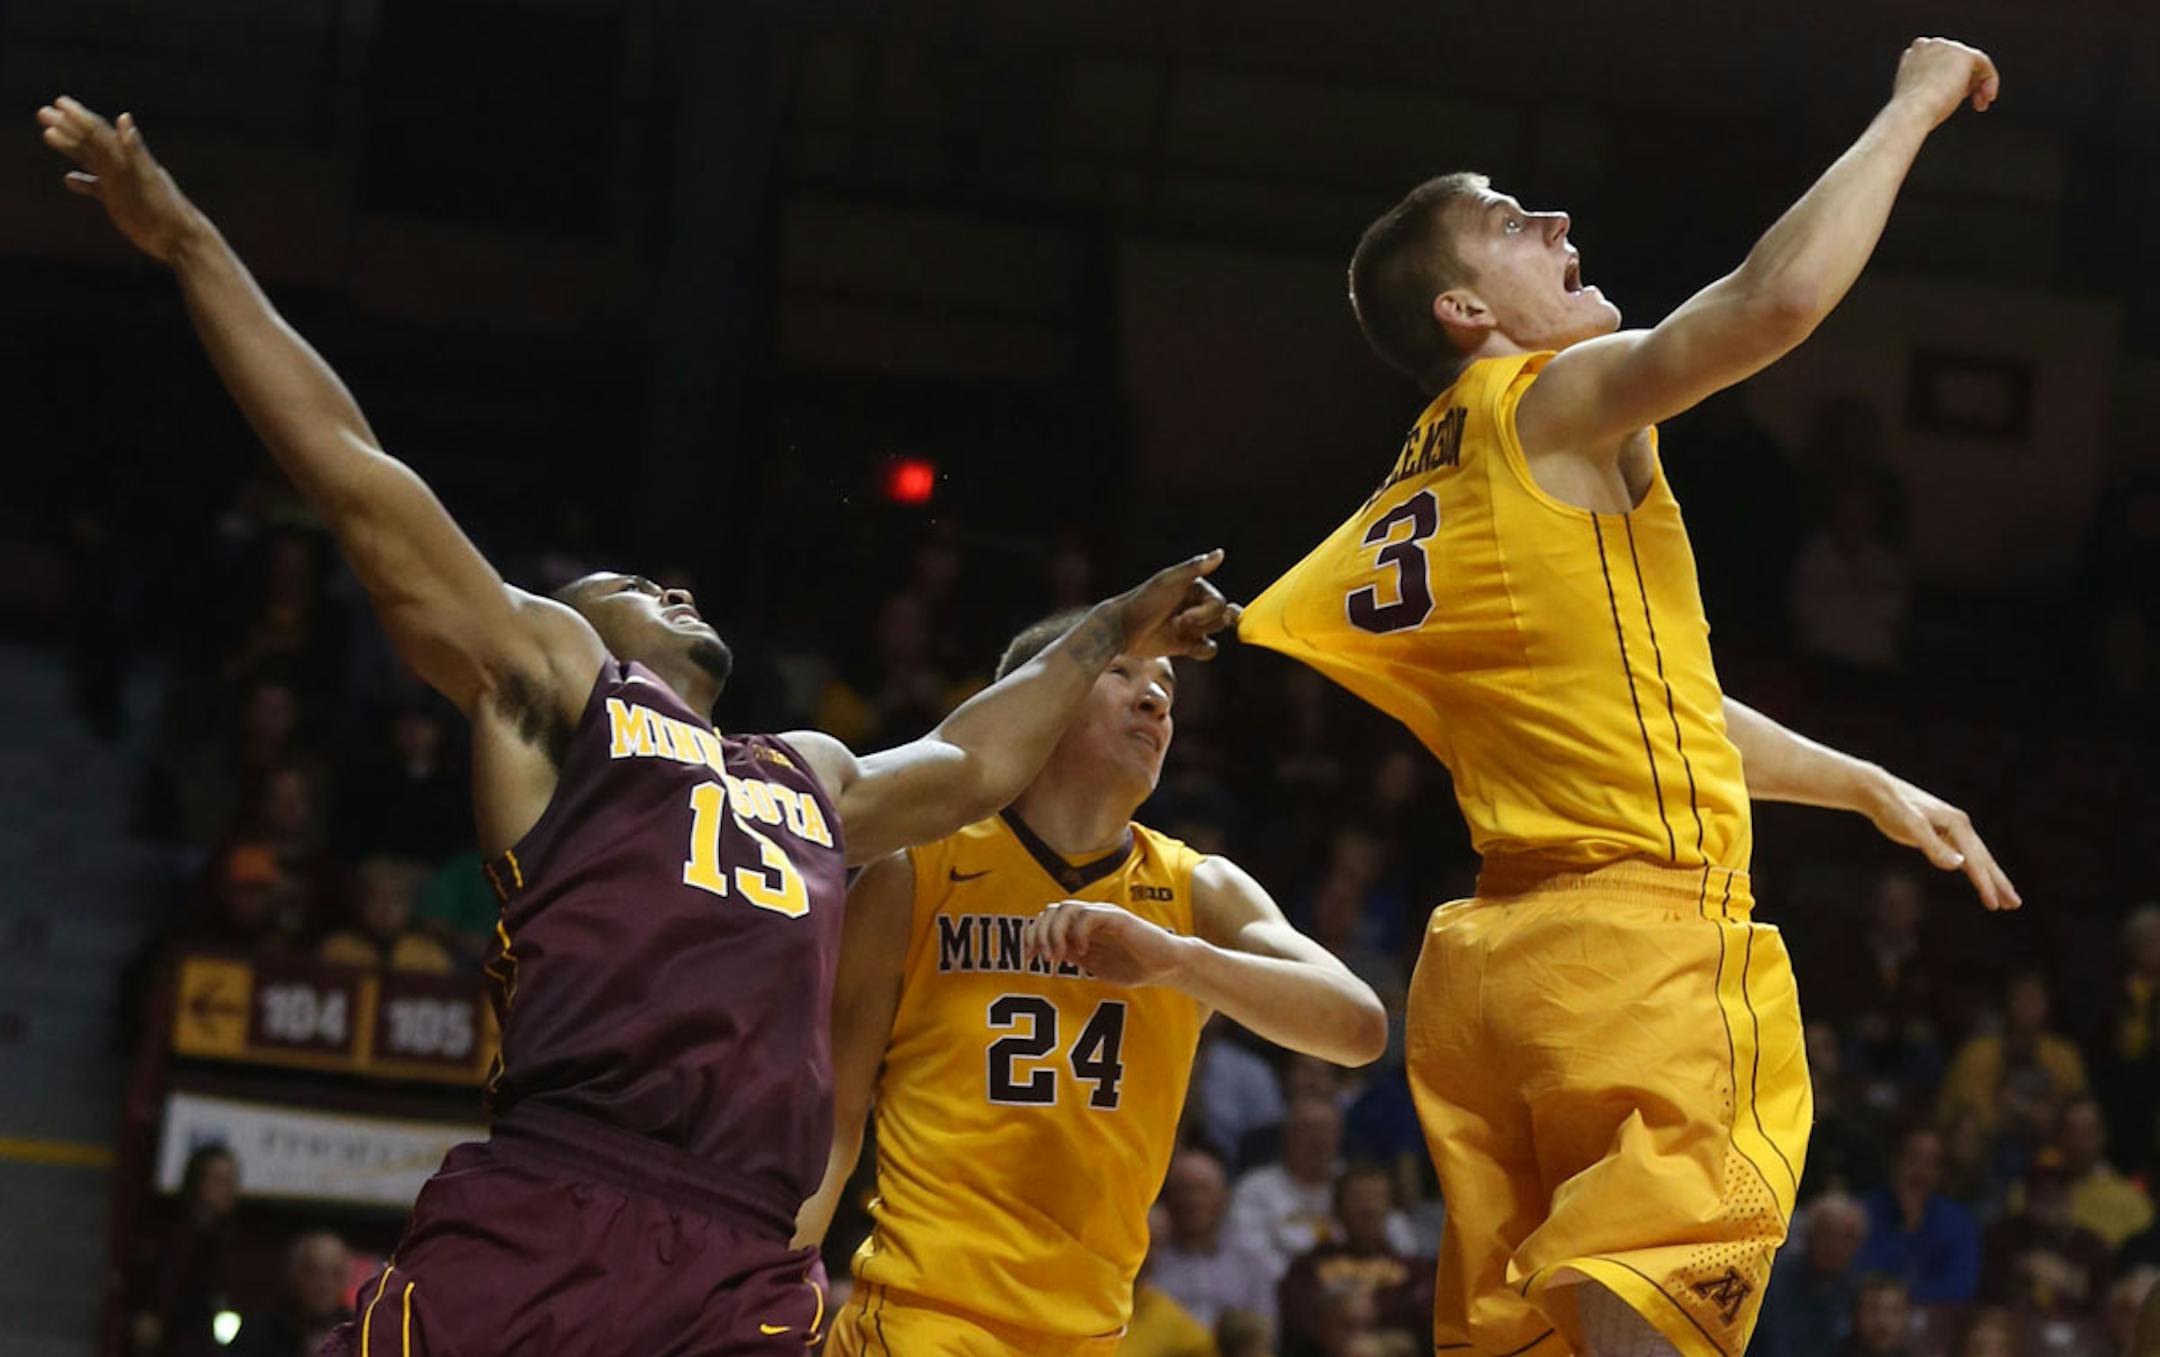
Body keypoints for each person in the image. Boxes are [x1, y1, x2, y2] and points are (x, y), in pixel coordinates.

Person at [39, 96, 1237, 1357]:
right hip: (558, 1194)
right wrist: (185, 242)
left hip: (739, 1247)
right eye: (629, 583)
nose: (673, 586)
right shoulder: (559, 692)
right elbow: (356, 475)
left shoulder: (808, 774)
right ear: (571, 620)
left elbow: (976, 758)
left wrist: (1110, 625)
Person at [1233, 36, 2016, 1357]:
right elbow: (1772, 305)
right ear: (1465, 315)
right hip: (1632, 949)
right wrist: (1913, 107)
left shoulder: (1437, 481)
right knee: (1656, 1312)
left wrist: (1862, 782)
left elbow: (1654, 702)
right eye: (1506, 220)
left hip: (1498, 969)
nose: (1553, 220)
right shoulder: (1549, 399)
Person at [796, 611, 1386, 1355]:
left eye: (1167, 685)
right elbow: (835, 1123)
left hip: (1093, 1334)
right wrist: (778, 1277)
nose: (1157, 701)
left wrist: (1176, 960)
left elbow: (1359, 1026)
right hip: (922, 1315)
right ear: (1039, 696)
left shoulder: (1197, 891)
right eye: (1123, 673)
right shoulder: (916, 870)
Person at [1277, 1165, 1433, 1356]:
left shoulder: (1415, 1271)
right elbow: (1299, 1324)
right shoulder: (1308, 1267)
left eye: (1377, 1198)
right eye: (1358, 1198)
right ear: (1338, 1208)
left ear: (1391, 1207)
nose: (1368, 1208)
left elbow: (1425, 1331)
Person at [1148, 1148, 1280, 1329]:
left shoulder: (1251, 1261)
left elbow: (1265, 1330)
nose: (1195, 1200)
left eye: (1204, 1189)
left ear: (1224, 1197)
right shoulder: (1149, 1259)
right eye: (1185, 1189)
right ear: (1168, 1197)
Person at [1854, 1127, 1983, 1304]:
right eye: (1913, 1159)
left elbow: (1960, 1287)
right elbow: (1856, 1276)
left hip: (1930, 1320)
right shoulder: (1863, 1213)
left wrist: (1906, 1297)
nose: (1920, 1172)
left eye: (1930, 1163)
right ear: (1896, 1162)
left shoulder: (1958, 1222)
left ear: (1940, 1173)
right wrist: (1906, 1227)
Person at [1753, 1192, 1870, 1357]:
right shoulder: (1773, 1281)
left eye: (1847, 1237)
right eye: (1827, 1233)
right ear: (1808, 1235)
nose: (1836, 1245)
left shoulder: (1858, 1291)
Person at [228, 1231, 354, 1357]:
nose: (325, 1285)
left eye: (335, 1274)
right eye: (314, 1273)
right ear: (294, 1275)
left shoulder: (359, 1333)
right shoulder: (258, 1334)